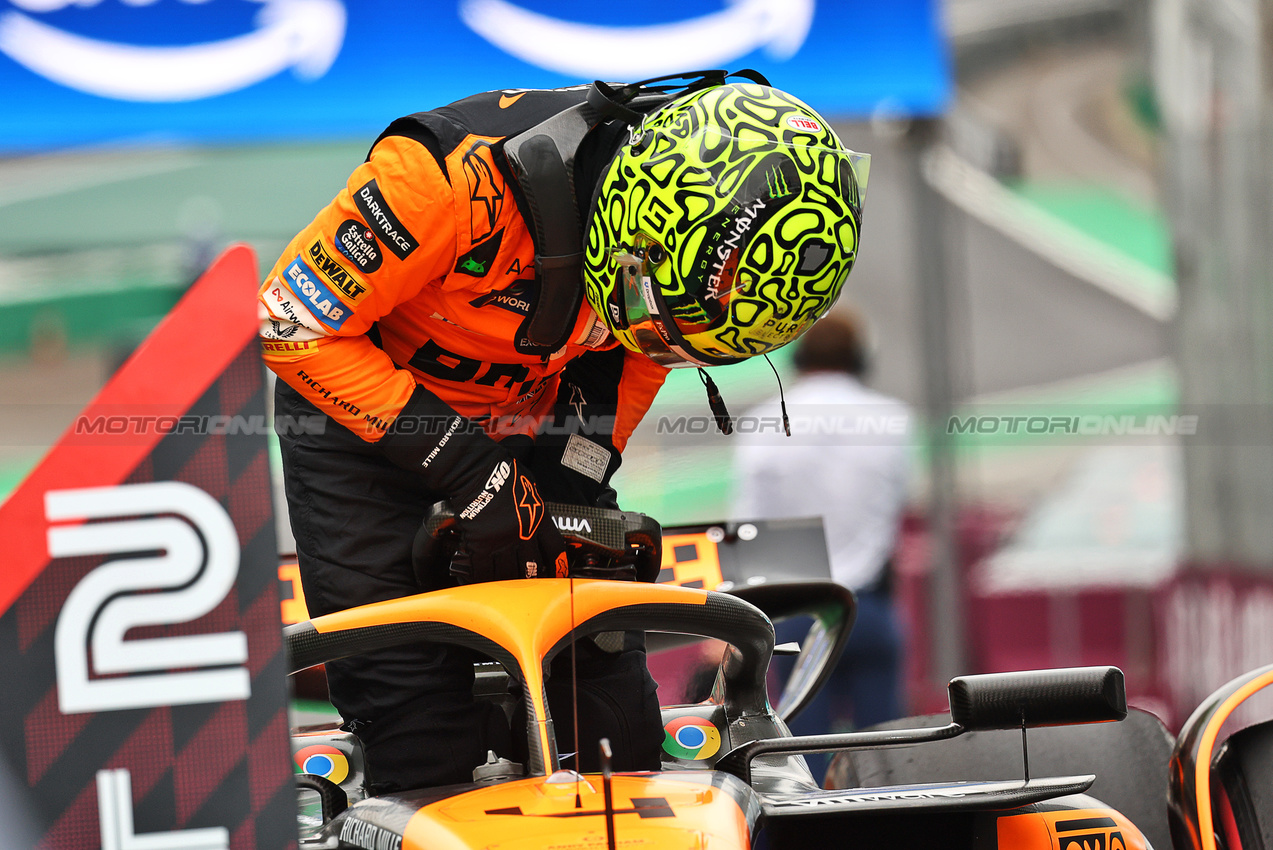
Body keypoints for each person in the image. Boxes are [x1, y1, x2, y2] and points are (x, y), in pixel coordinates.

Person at [258, 70, 868, 792]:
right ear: (629, 220)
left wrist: (575, 474)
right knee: (416, 720)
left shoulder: (672, 278)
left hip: (538, 419)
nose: (663, 347)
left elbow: (641, 356)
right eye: (663, 322)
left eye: (684, 341)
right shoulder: (442, 180)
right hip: (364, 434)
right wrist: (469, 472)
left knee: (611, 708)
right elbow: (289, 324)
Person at [732, 310, 909, 763]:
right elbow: (895, 507)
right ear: (860, 359)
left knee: (801, 760)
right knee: (885, 761)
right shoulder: (891, 420)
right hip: (869, 605)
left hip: (798, 607)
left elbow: (748, 525)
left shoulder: (764, 424)